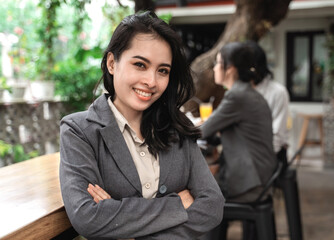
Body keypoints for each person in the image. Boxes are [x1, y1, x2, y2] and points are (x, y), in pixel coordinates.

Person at [59, 11, 224, 240]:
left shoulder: (177, 127)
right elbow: (87, 217)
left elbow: (212, 205)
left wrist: (127, 228)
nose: (151, 81)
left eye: (163, 71)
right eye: (140, 64)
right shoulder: (79, 131)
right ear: (111, 63)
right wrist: (177, 205)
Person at [200, 42, 277, 239]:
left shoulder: (237, 96)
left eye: (218, 63)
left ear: (230, 68)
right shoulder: (247, 93)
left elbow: (202, 131)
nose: (214, 68)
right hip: (261, 177)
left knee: (201, 196)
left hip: (251, 183)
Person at [246, 41, 290, 168]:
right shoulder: (240, 91)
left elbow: (277, 136)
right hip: (247, 155)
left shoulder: (277, 92)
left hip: (269, 157)